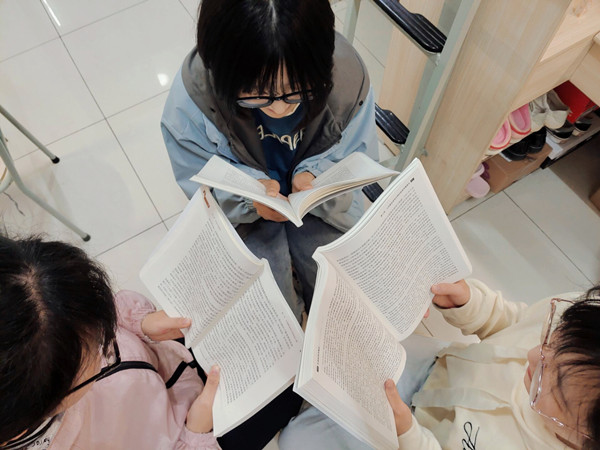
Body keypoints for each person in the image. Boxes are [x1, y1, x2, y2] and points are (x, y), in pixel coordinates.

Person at [161, 0, 378, 321]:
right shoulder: (193, 99)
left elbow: (357, 159)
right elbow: (199, 183)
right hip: (242, 214)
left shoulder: (347, 82)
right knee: (267, 301)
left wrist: (317, 178)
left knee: (339, 286)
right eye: (255, 93)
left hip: (322, 205)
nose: (278, 108)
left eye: (297, 90)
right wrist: (247, 197)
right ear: (219, 70)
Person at [278, 279, 600, 449]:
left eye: (552, 380)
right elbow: (516, 319)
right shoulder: (588, 321)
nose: (531, 355)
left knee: (296, 440)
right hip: (436, 366)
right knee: (348, 340)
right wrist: (471, 304)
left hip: (423, 437)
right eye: (551, 336)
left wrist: (408, 435)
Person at [0, 235, 221, 449]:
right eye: (98, 345)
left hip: (180, 367)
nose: (104, 341)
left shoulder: (41, 310)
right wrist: (196, 436)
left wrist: (140, 322)